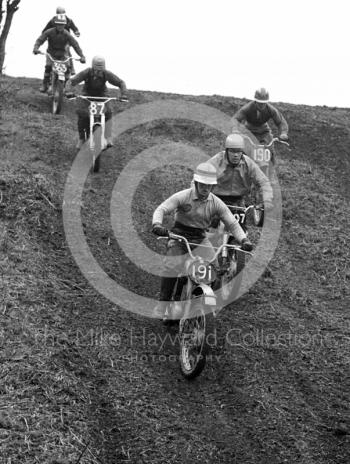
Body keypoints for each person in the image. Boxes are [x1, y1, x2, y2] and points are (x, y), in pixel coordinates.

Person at [152, 162, 253, 319]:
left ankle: (203, 302)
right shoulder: (184, 196)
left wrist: (244, 239)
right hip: (180, 236)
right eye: (203, 185)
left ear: (213, 186)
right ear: (197, 183)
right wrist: (157, 224)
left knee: (214, 268)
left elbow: (232, 223)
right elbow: (162, 209)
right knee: (171, 265)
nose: (206, 189)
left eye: (209, 186)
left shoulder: (215, 202)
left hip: (200, 238)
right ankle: (163, 304)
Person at [66, 55, 128, 149]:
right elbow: (72, 81)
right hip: (87, 94)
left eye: (101, 70)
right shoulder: (86, 72)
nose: (98, 71)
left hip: (102, 95)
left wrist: (123, 94)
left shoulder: (106, 74)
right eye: (96, 69)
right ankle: (82, 138)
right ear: (92, 67)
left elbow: (120, 82)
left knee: (108, 112)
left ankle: (107, 137)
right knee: (82, 113)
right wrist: (68, 91)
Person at [208, 133, 273, 211]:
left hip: (237, 200)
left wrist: (267, 200)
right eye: (232, 151)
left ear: (242, 151)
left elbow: (263, 181)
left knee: (239, 222)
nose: (236, 155)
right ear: (227, 151)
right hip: (216, 198)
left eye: (238, 151)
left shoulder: (248, 164)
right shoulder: (216, 161)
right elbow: (200, 178)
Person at [232, 88, 289, 162]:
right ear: (255, 101)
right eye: (259, 102)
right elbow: (236, 119)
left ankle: (271, 171)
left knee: (270, 151)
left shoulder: (271, 110)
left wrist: (283, 133)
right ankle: (242, 168)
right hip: (249, 131)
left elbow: (281, 122)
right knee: (243, 151)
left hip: (264, 132)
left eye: (264, 103)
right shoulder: (247, 108)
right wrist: (235, 129)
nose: (262, 105)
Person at [33, 14, 86, 93]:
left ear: (64, 25)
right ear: (55, 24)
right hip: (51, 54)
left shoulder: (67, 34)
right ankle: (45, 85)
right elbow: (40, 40)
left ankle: (66, 88)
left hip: (63, 54)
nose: (60, 26)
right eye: (58, 24)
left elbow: (75, 45)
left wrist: (82, 56)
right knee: (48, 67)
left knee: (68, 68)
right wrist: (36, 48)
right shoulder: (49, 32)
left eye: (62, 25)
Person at [42, 7, 81, 75]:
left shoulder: (69, 20)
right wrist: (46, 35)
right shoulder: (53, 20)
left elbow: (74, 28)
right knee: (51, 52)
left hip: (66, 40)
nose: (61, 15)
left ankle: (71, 68)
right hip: (54, 40)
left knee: (67, 50)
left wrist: (76, 32)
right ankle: (49, 70)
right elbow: (44, 30)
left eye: (62, 13)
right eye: (59, 13)